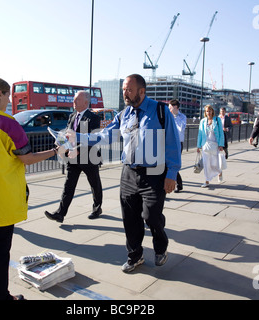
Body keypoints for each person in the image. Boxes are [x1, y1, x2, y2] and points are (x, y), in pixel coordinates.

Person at [0, 77, 64, 300]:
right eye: (8, 95)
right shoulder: (7, 124)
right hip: (2, 196)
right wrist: (55, 151)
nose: (9, 100)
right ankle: (0, 296)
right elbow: (27, 158)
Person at [66, 74, 181, 273]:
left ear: (141, 91)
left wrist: (172, 173)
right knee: (129, 218)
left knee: (151, 216)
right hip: (128, 172)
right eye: (123, 90)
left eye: (129, 90)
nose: (125, 94)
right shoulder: (124, 114)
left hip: (154, 173)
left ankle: (160, 246)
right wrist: (77, 136)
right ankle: (135, 256)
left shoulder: (160, 111)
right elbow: (105, 135)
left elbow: (172, 143)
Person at [45, 90, 103, 223]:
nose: (74, 102)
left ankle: (97, 208)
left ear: (86, 102)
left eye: (77, 99)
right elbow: (67, 133)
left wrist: (78, 150)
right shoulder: (72, 116)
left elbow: (93, 138)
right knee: (68, 186)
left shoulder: (93, 118)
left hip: (89, 157)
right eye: (74, 99)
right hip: (72, 158)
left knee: (95, 185)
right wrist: (59, 140)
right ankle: (60, 213)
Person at [197, 105, 225, 188]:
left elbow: (221, 133)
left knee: (214, 164)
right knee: (206, 164)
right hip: (205, 145)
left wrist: (221, 145)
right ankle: (207, 181)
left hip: (215, 145)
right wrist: (198, 146)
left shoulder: (217, 120)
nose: (208, 113)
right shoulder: (202, 121)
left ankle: (219, 172)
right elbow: (200, 134)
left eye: (209, 111)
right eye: (206, 111)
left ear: (212, 111)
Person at [168, 99, 187, 193]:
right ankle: (177, 184)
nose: (169, 108)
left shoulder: (182, 117)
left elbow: (180, 129)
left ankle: (178, 184)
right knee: (167, 163)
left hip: (178, 143)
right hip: (168, 142)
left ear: (175, 107)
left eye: (170, 106)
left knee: (174, 163)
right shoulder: (168, 115)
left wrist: (173, 117)